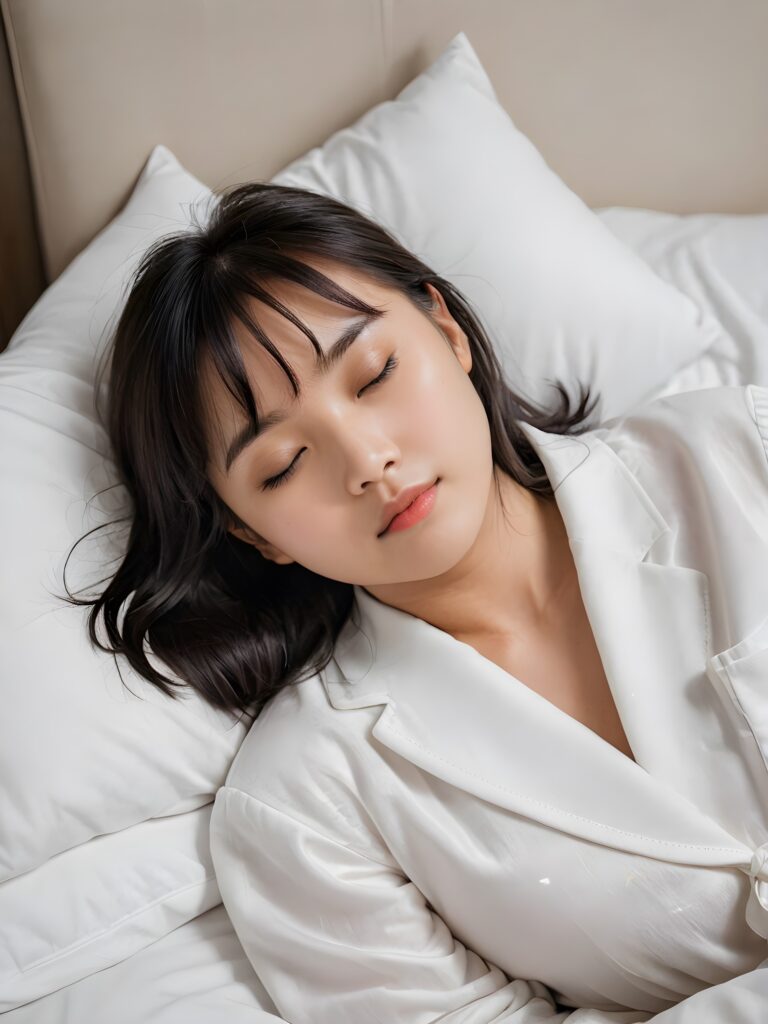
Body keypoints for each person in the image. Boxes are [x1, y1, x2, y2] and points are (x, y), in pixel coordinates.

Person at [63, 182, 768, 1022]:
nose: (367, 459)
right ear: (255, 534)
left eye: (375, 374)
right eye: (283, 463)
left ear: (445, 328)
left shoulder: (739, 452)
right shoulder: (307, 806)